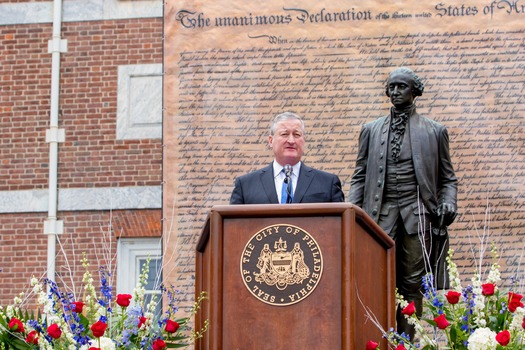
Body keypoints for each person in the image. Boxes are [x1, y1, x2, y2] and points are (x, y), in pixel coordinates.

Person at [348, 67, 458, 339]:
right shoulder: (370, 130)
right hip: (379, 216)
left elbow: (448, 179)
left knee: (412, 283)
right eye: (392, 87)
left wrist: (448, 202)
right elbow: (359, 176)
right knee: (377, 280)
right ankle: (379, 338)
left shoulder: (435, 131)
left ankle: (407, 343)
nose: (395, 92)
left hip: (417, 216)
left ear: (415, 91)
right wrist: (351, 214)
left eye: (402, 87)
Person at [230, 111, 344, 204]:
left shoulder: (328, 183)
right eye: (284, 134)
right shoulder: (245, 185)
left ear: (304, 140)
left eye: (297, 135)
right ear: (271, 141)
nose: (291, 140)